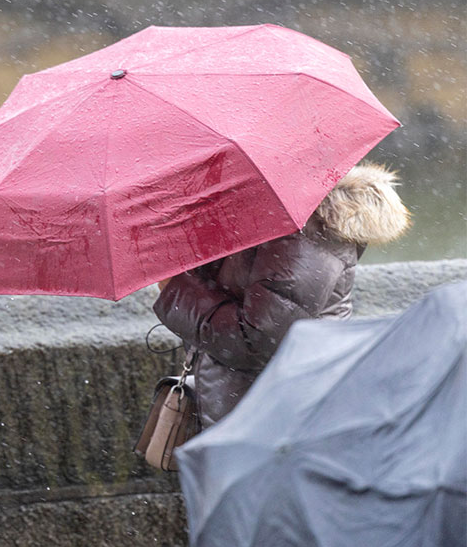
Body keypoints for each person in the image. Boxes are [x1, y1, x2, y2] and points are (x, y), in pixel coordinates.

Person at [153, 162, 409, 429]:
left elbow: (259, 340)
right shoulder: (256, 206)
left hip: (280, 423)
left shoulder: (306, 224)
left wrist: (177, 292)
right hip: (255, 413)